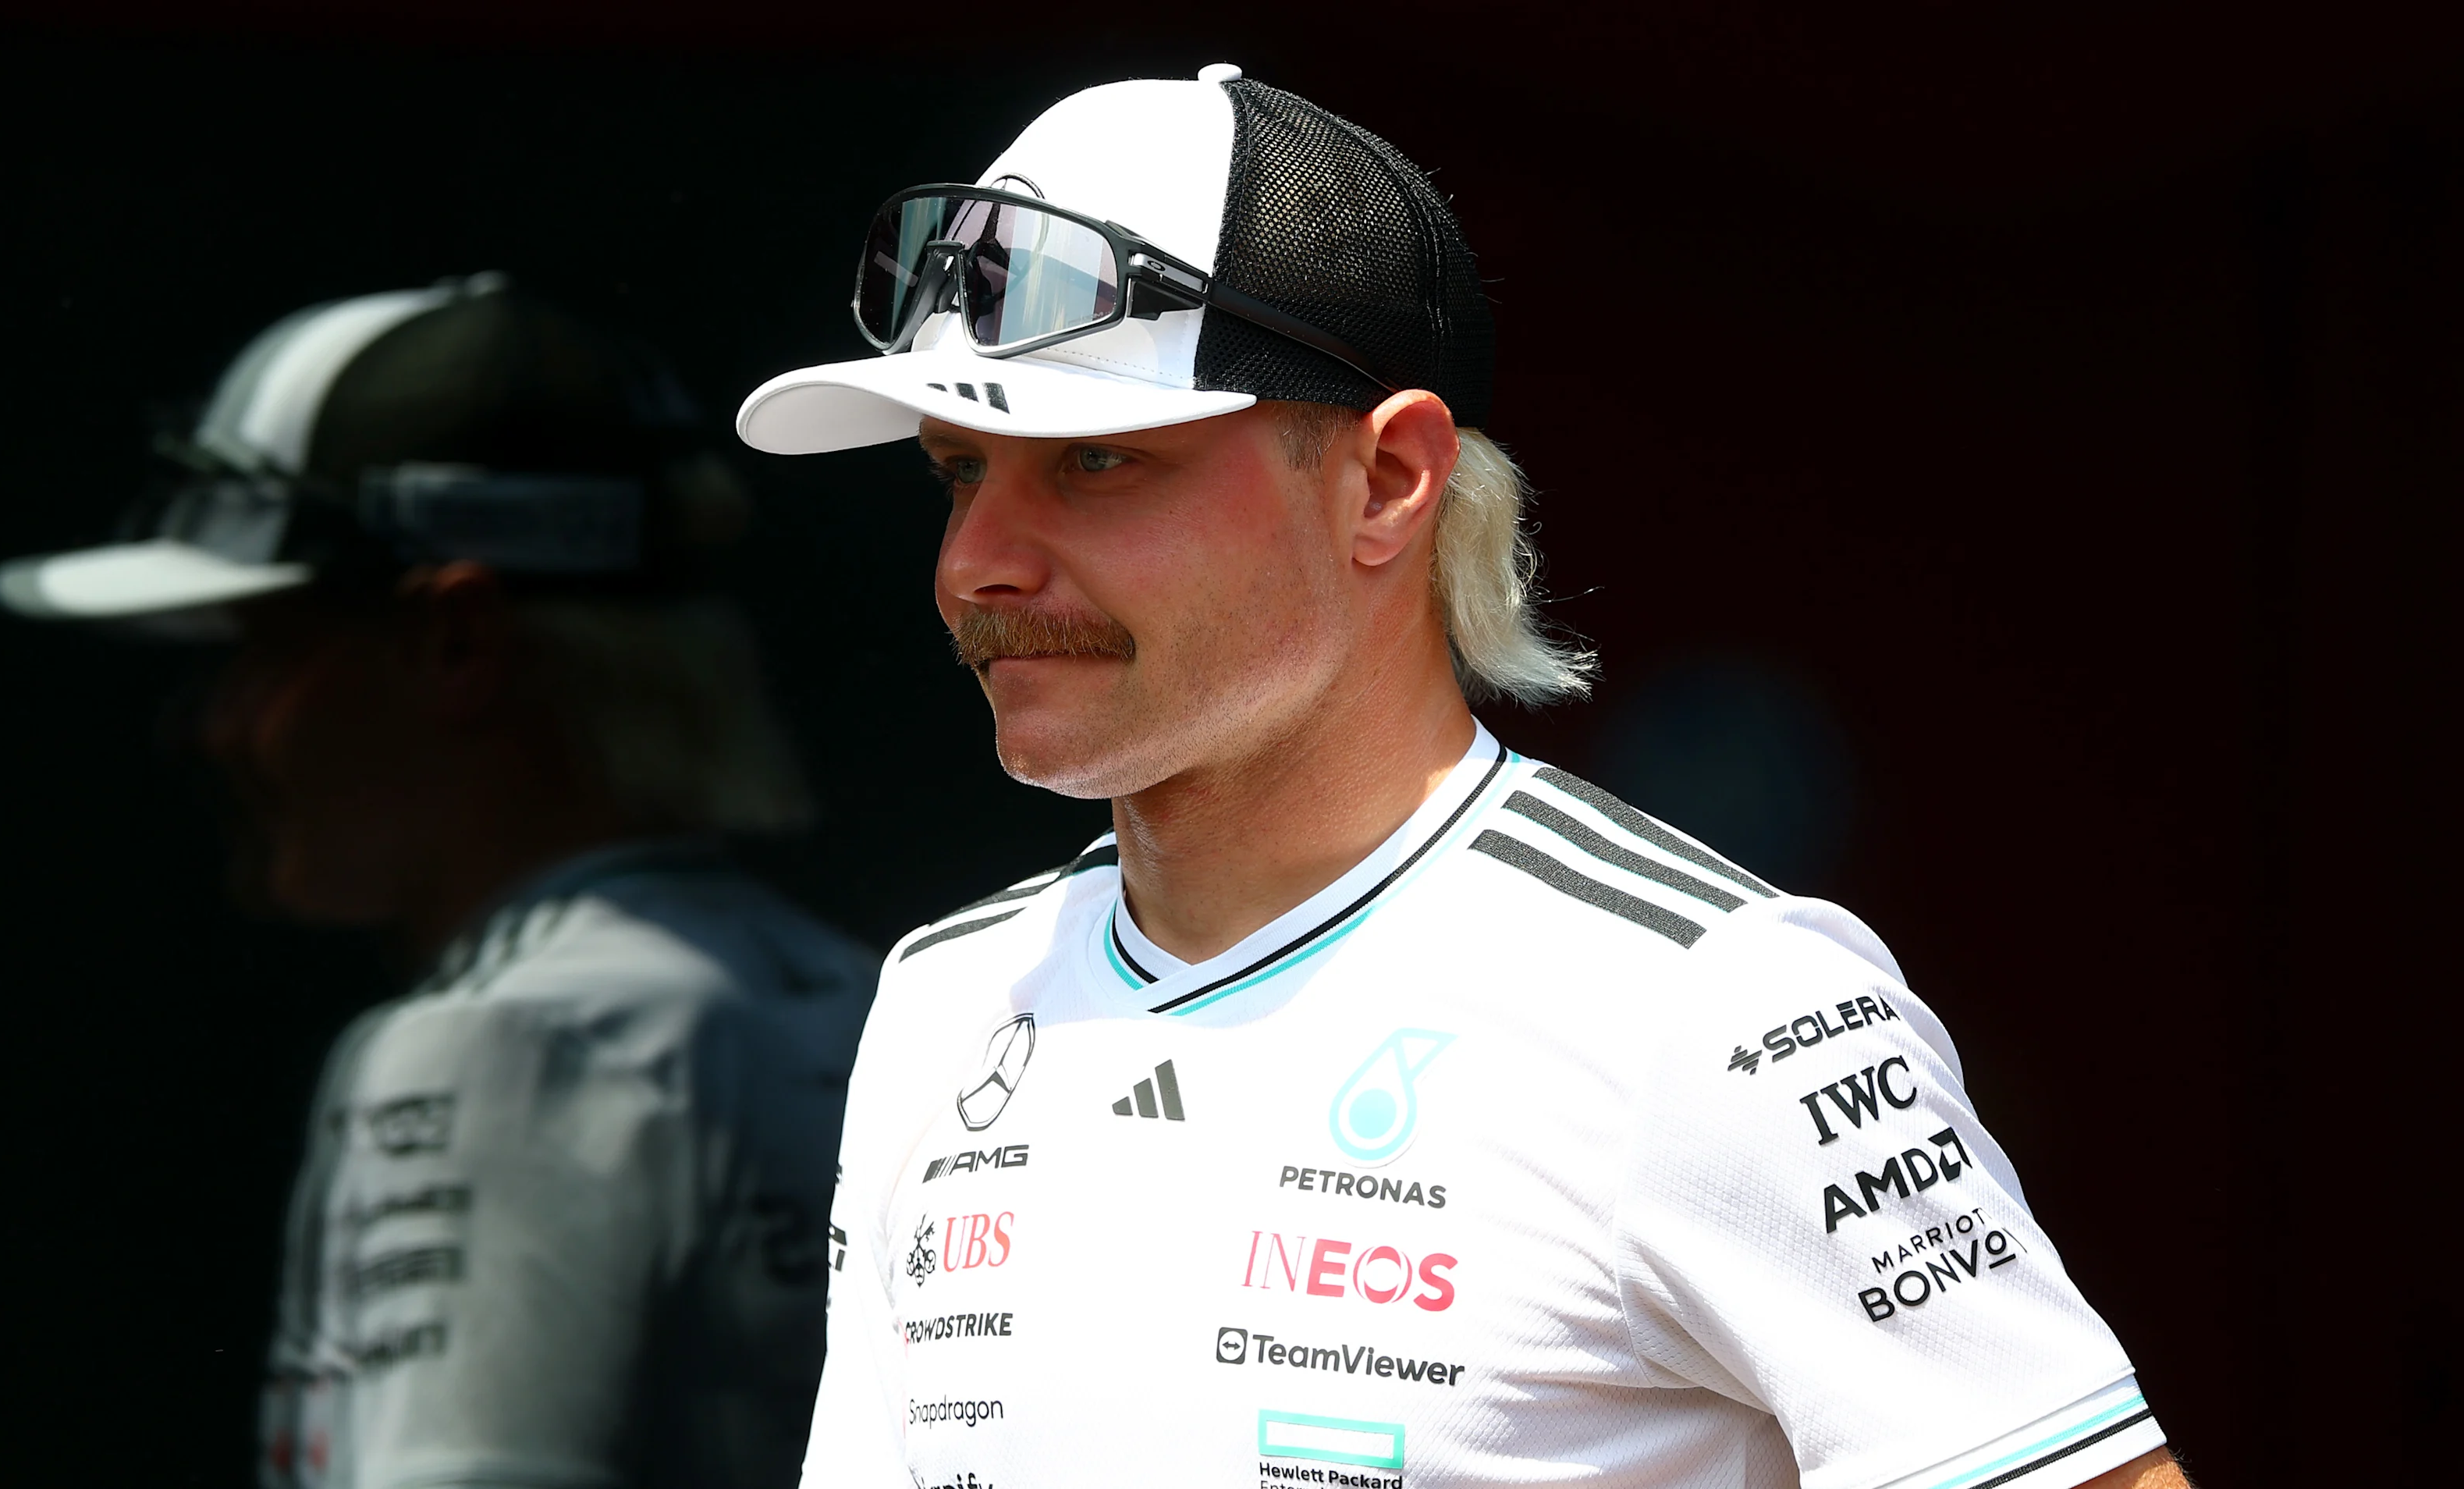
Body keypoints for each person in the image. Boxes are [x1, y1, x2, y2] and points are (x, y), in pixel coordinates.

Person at [735, 66, 2185, 1489]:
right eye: (958, 471)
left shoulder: (1717, 1007)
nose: (976, 563)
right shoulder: (943, 1000)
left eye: (1095, 462)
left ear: (1386, 483)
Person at [0, 275, 877, 1489]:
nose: (204, 725)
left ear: (455, 640)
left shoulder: (512, 1040)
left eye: (260, 648)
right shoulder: (883, 1006)